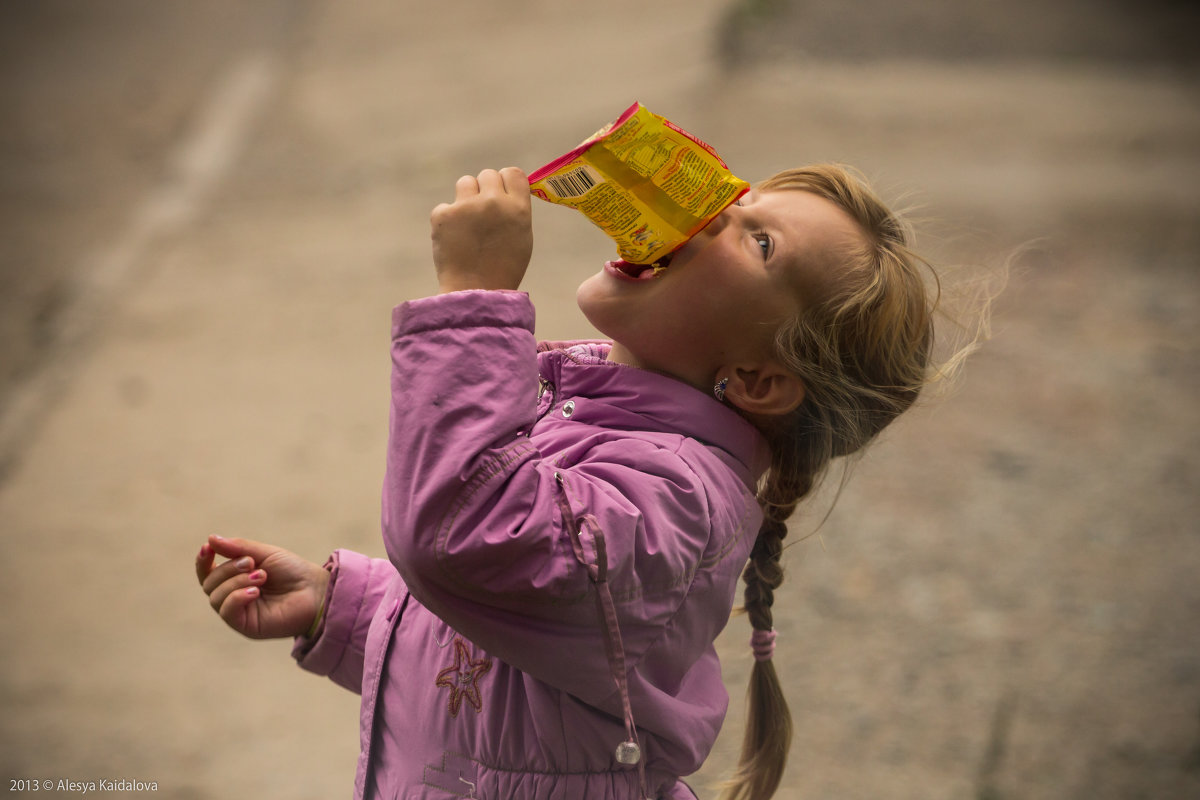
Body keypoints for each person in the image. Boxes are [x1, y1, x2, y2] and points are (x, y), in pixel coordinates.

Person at [195, 163, 950, 799]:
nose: (709, 212)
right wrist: (348, 608)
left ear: (755, 378)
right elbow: (514, 647)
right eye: (739, 198)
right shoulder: (594, 418)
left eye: (758, 242)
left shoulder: (675, 493)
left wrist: (474, 300)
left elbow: (464, 539)